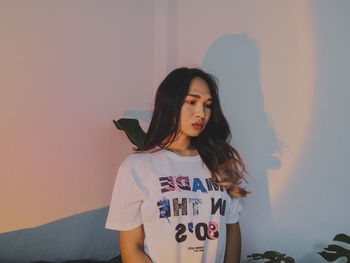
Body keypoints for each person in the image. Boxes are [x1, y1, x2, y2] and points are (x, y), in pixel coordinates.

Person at [105, 67, 249, 263]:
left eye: (207, 105)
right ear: (170, 103)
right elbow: (132, 249)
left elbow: (232, 228)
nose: (201, 113)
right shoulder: (137, 167)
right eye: (191, 101)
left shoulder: (221, 163)